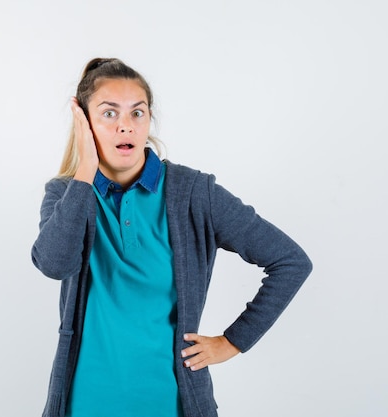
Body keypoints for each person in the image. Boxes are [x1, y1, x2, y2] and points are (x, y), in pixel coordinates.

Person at [31, 58, 312, 417]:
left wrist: (233, 342)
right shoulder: (65, 194)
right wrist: (84, 170)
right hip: (85, 402)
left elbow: (290, 261)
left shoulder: (193, 192)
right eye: (109, 113)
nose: (125, 127)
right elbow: (54, 264)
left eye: (137, 113)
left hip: (172, 404)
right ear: (84, 123)